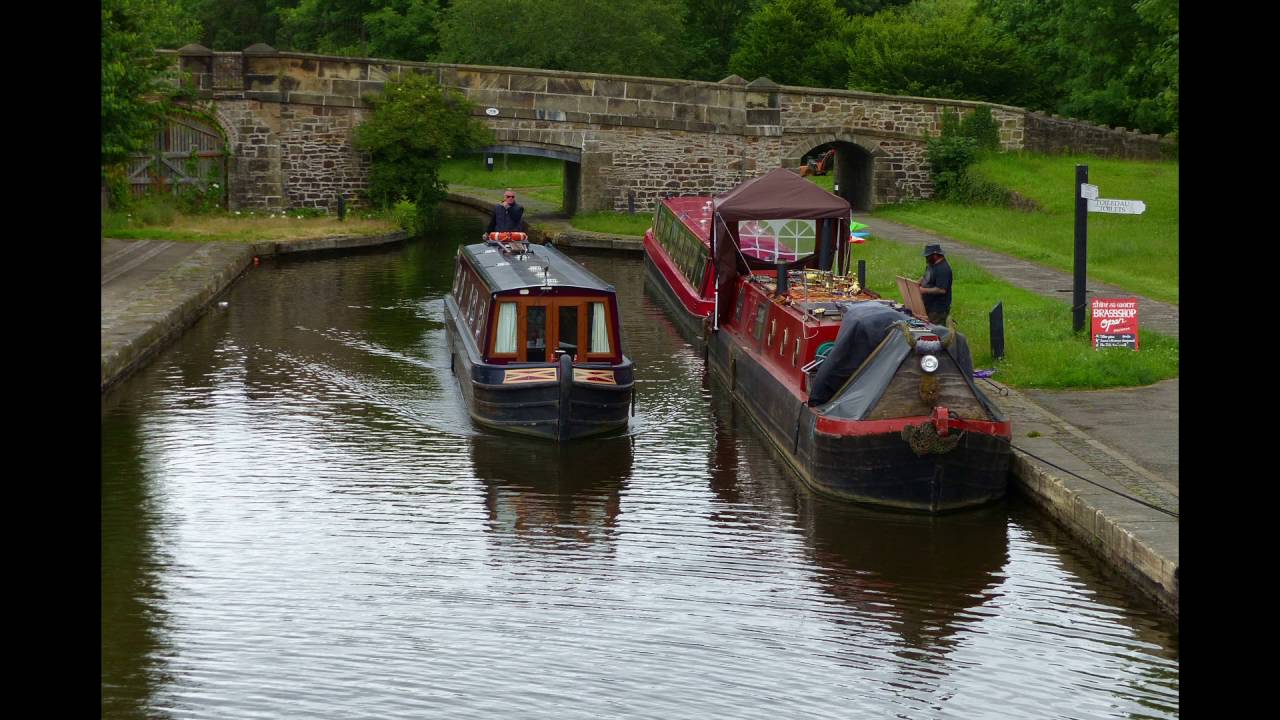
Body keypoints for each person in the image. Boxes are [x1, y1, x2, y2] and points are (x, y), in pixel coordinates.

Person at [918, 243, 953, 325]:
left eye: (928, 256)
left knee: (936, 331)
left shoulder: (943, 269)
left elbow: (941, 290)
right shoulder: (931, 264)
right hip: (928, 305)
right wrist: (917, 283)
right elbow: (926, 276)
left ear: (935, 255)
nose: (926, 258)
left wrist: (923, 290)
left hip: (937, 309)